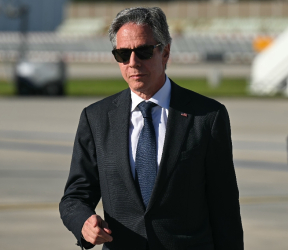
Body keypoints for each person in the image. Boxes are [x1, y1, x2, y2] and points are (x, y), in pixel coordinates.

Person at [59, 7, 243, 250]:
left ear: (165, 52)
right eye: (123, 54)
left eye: (144, 52)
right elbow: (75, 196)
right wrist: (83, 222)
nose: (133, 63)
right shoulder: (96, 118)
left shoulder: (207, 116)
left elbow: (224, 207)